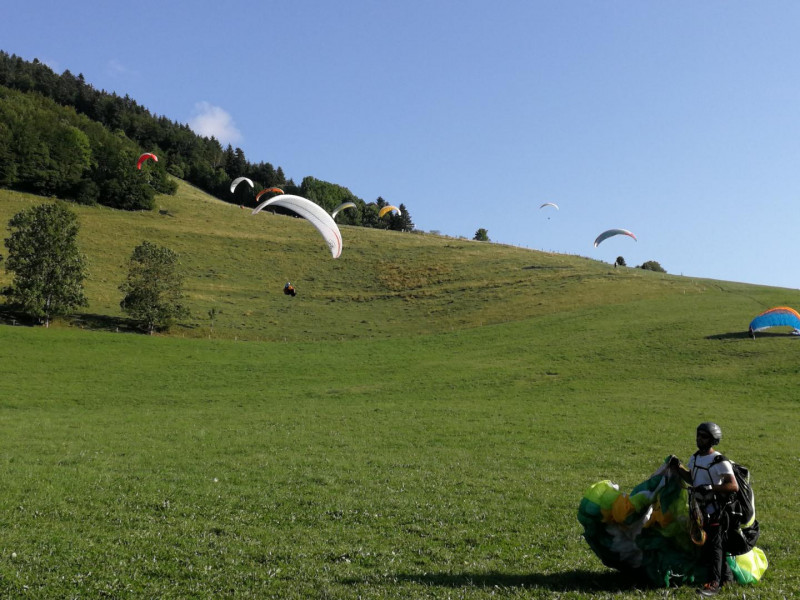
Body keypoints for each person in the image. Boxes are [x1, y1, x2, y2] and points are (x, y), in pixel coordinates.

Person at [669, 422, 739, 597]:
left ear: (713, 440)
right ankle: (727, 579)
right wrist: (678, 468)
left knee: (714, 547)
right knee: (711, 546)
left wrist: (711, 488)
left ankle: (714, 584)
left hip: (716, 510)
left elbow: (733, 486)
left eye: (704, 436)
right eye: (698, 435)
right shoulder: (695, 458)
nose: (699, 439)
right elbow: (693, 479)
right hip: (699, 511)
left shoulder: (720, 461)